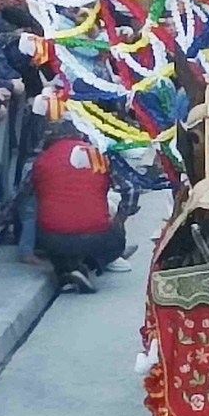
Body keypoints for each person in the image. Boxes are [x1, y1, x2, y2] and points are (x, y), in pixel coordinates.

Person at [26, 122, 135, 291]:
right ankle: (89, 266)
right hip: (97, 235)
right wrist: (121, 219)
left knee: (51, 230)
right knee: (115, 238)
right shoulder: (96, 156)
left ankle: (66, 272)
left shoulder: (42, 161)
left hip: (53, 238)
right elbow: (130, 189)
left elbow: (25, 196)